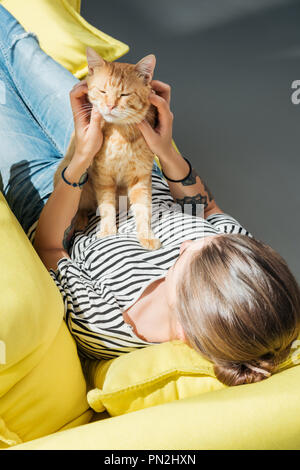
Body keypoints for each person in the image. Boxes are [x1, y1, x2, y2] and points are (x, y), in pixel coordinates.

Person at [1, 5, 299, 387]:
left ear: (188, 316)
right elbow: (202, 207)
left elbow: (50, 249)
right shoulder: (239, 262)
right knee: (18, 47)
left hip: (52, 194)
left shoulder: (109, 323)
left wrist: (78, 160)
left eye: (190, 257)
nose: (189, 242)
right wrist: (165, 150)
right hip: (121, 147)